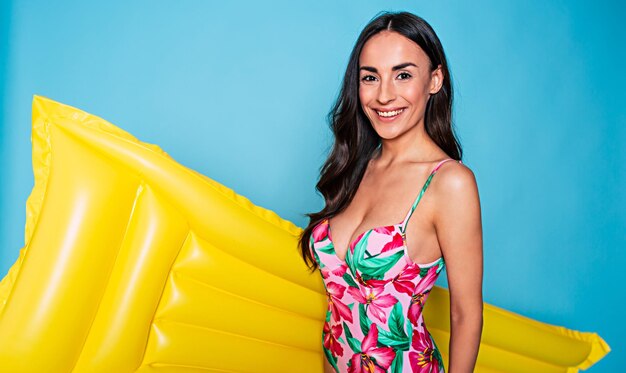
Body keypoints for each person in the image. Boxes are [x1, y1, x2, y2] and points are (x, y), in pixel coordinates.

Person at [298, 11, 483, 373]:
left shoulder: (450, 183)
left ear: (434, 80)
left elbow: (465, 315)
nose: (384, 95)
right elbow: (339, 310)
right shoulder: (355, 165)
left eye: (403, 75)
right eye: (371, 77)